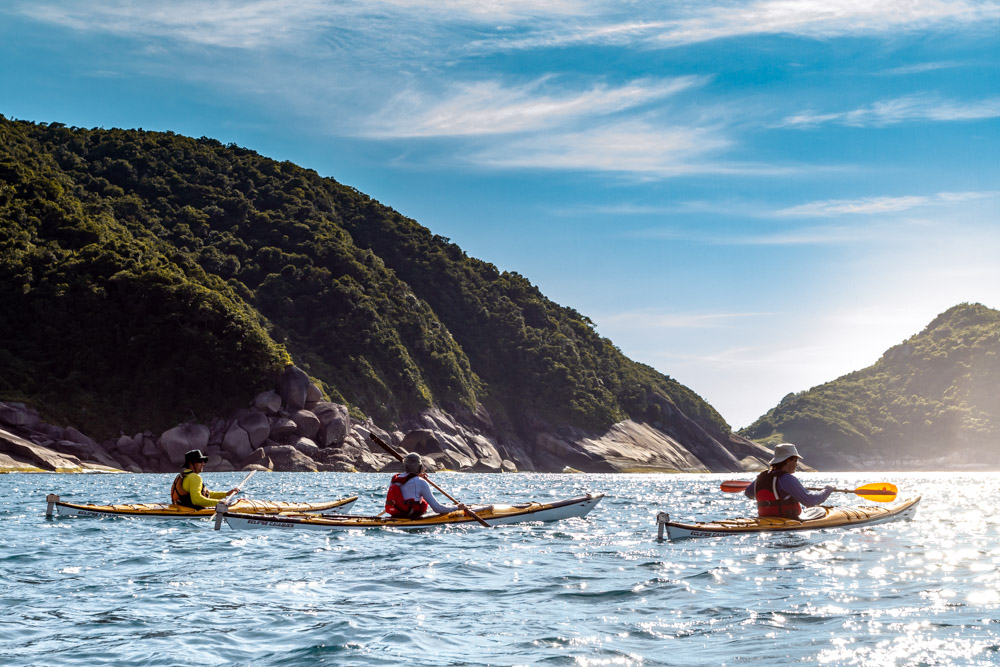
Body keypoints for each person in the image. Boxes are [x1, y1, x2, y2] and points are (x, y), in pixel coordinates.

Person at [743, 443, 834, 519]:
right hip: (787, 520)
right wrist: (827, 490)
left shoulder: (761, 478)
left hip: (765, 520)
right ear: (788, 460)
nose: (796, 464)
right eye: (795, 460)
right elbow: (810, 501)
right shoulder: (788, 479)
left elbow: (748, 493)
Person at [385, 452, 467, 519]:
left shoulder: (395, 479)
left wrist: (417, 476)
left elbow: (408, 483)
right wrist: (457, 507)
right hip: (412, 516)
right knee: (443, 507)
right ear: (420, 467)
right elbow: (437, 509)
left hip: (397, 514)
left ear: (405, 466)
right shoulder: (421, 482)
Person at [170, 449, 238, 508]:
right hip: (191, 513)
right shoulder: (195, 477)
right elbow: (196, 500)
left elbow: (206, 493)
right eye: (200, 461)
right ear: (191, 463)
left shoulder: (183, 475)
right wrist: (219, 502)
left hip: (181, 508)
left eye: (204, 461)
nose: (203, 464)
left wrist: (226, 494)